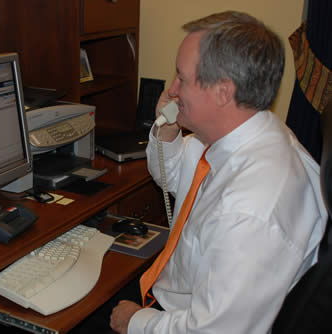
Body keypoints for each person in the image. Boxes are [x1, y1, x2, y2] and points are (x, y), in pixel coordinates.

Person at [108, 11, 328, 334]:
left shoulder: (251, 209)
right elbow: (172, 173)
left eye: (182, 78)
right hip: (175, 294)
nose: (172, 89)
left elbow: (214, 330)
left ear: (223, 92)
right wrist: (167, 130)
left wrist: (135, 323)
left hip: (181, 319)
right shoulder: (244, 135)